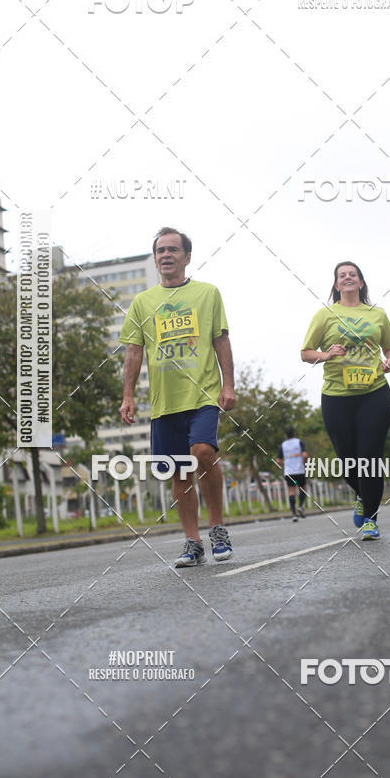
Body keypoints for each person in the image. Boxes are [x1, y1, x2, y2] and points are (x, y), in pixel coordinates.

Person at [119, 227, 236, 567]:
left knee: (202, 451)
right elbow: (134, 350)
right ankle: (192, 541)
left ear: (187, 256)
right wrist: (128, 395)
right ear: (155, 258)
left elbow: (221, 341)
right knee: (179, 470)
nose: (166, 255)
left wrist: (228, 386)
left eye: (173, 249)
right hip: (164, 401)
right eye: (160, 251)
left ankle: (217, 528)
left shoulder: (207, 293)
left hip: (202, 393)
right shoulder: (142, 302)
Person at [301, 261, 390, 540]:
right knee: (347, 461)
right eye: (341, 275)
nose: (347, 278)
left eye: (352, 274)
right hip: (337, 397)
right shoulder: (325, 314)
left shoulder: (377, 314)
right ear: (336, 285)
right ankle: (361, 494)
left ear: (360, 282)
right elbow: (306, 352)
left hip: (374, 393)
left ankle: (371, 518)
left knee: (369, 457)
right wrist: (326, 355)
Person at [276, 426, 309, 521]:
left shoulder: (283, 445)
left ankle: (294, 514)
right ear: (294, 433)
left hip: (289, 472)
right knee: (302, 489)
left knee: (291, 492)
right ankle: (300, 506)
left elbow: (278, 460)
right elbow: (305, 455)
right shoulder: (299, 442)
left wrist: (285, 464)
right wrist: (304, 463)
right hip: (299, 471)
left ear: (286, 435)